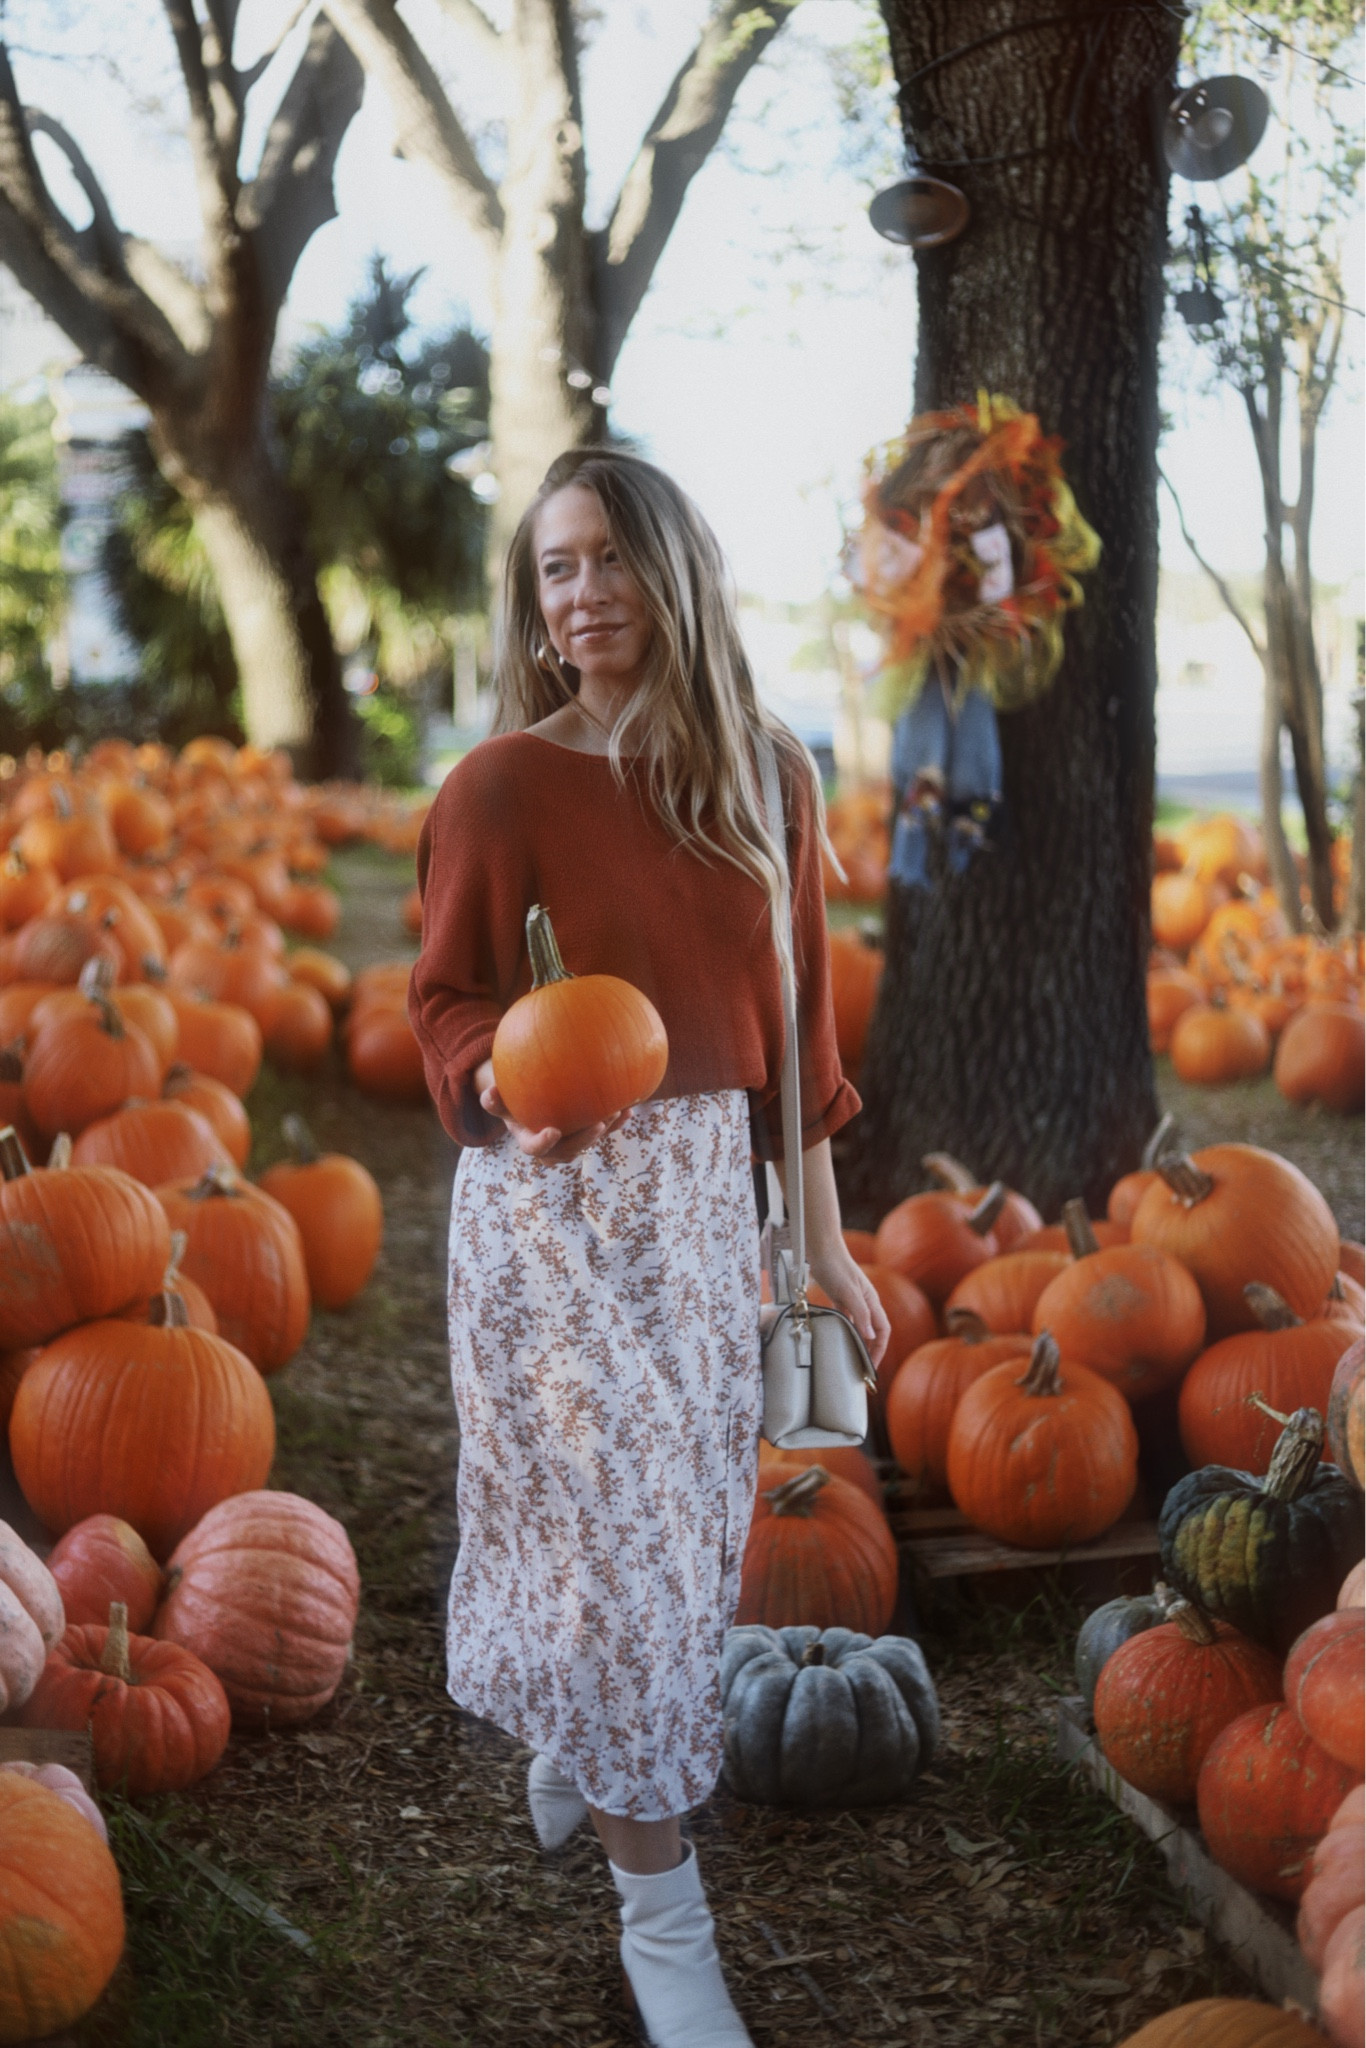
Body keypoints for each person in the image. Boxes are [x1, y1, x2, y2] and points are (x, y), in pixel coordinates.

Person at [409, 448, 890, 2048]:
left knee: (671, 1553)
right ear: (532, 608)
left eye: (608, 557)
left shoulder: (767, 776)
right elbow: (450, 1005)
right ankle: (662, 1921)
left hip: (701, 1225)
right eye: (553, 568)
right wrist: (497, 1081)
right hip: (552, 1219)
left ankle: (585, 1724)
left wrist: (818, 1250)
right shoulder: (498, 788)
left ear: (671, 572)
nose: (582, 592)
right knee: (608, 1541)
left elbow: (796, 1038)